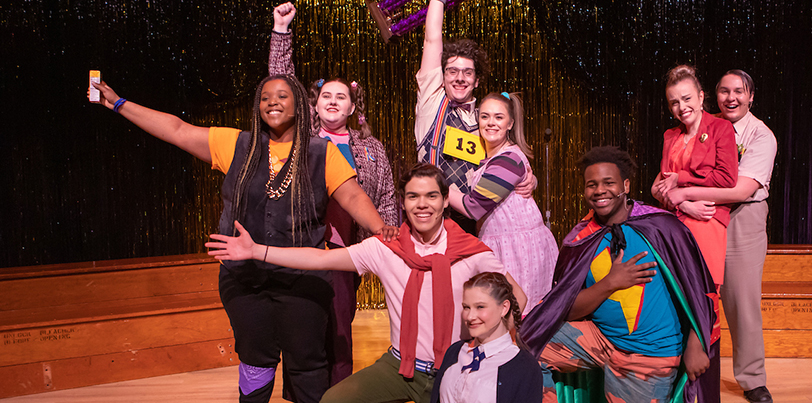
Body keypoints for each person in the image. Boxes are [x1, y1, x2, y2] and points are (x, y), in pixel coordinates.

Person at [90, 74, 395, 403]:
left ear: (299, 107)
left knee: (307, 364)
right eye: (265, 98)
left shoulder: (322, 154)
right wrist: (119, 104)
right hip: (245, 279)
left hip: (302, 278)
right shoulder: (236, 144)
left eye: (281, 96)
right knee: (255, 359)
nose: (272, 102)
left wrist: (384, 232)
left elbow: (353, 197)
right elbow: (177, 131)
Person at [207, 163, 527, 403]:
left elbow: (517, 300)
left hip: (456, 367)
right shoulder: (386, 248)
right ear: (402, 203)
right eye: (413, 196)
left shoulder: (471, 251)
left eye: (432, 195)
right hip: (400, 367)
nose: (422, 204)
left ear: (445, 201)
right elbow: (319, 259)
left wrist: (488, 352)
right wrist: (256, 251)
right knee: (334, 400)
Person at [519, 146, 720, 403]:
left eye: (608, 182)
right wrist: (611, 283)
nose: (600, 190)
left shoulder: (663, 228)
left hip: (648, 357)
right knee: (528, 344)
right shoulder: (582, 238)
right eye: (591, 184)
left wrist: (697, 344)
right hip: (599, 342)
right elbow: (565, 307)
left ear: (625, 185)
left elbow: (700, 292)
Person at [268, 3, 400, 387]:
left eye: (341, 97)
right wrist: (281, 31)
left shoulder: (370, 147)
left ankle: (339, 394)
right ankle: (304, 394)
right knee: (303, 330)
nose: (333, 101)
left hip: (345, 255)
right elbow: (282, 83)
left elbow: (386, 197)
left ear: (352, 106)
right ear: (314, 103)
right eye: (327, 95)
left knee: (341, 331)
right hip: (303, 249)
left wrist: (389, 241)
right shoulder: (303, 140)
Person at [667, 70, 776, 403]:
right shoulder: (705, 128)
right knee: (695, 295)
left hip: (743, 219)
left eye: (739, 92)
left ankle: (752, 378)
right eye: (724, 91)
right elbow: (672, 172)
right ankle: (691, 373)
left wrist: (685, 194)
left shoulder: (760, 135)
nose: (731, 98)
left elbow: (739, 188)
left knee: (742, 303)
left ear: (751, 95)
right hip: (701, 220)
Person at [416, 0, 536, 234]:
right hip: (430, 217)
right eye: (452, 71)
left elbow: (504, 164)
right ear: (442, 76)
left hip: (472, 222)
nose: (459, 78)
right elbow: (432, 40)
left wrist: (530, 180)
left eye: (467, 72)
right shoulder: (432, 103)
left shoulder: (484, 120)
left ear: (476, 80)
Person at [447, 92, 557, 315]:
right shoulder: (487, 154)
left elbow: (474, 207)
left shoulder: (507, 158)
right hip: (504, 243)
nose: (491, 123)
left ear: (510, 123)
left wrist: (440, 189)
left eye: (498, 117)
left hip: (519, 249)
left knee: (517, 315)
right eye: (485, 116)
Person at [652, 64, 738, 288]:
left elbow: (727, 178)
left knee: (703, 293)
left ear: (701, 98)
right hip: (674, 219)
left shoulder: (721, 128)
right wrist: (685, 206)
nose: (682, 107)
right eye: (674, 102)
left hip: (706, 218)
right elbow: (660, 188)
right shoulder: (670, 136)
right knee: (673, 293)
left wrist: (680, 180)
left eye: (687, 98)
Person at [431, 272, 543, 403]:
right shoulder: (455, 352)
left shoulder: (524, 367)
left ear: (504, 308)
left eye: (480, 307)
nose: (470, 316)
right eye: (466, 307)